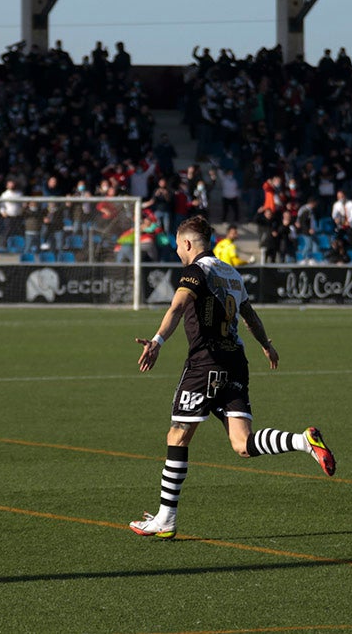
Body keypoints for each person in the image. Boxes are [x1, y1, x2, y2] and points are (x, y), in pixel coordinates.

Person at [129, 215, 335, 539]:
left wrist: (157, 341)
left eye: (179, 246)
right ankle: (303, 441)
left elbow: (178, 306)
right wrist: (266, 345)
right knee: (242, 444)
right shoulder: (231, 272)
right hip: (235, 362)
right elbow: (250, 315)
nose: (179, 254)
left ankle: (166, 518)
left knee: (177, 436)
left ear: (186, 243)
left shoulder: (196, 271)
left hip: (205, 363)